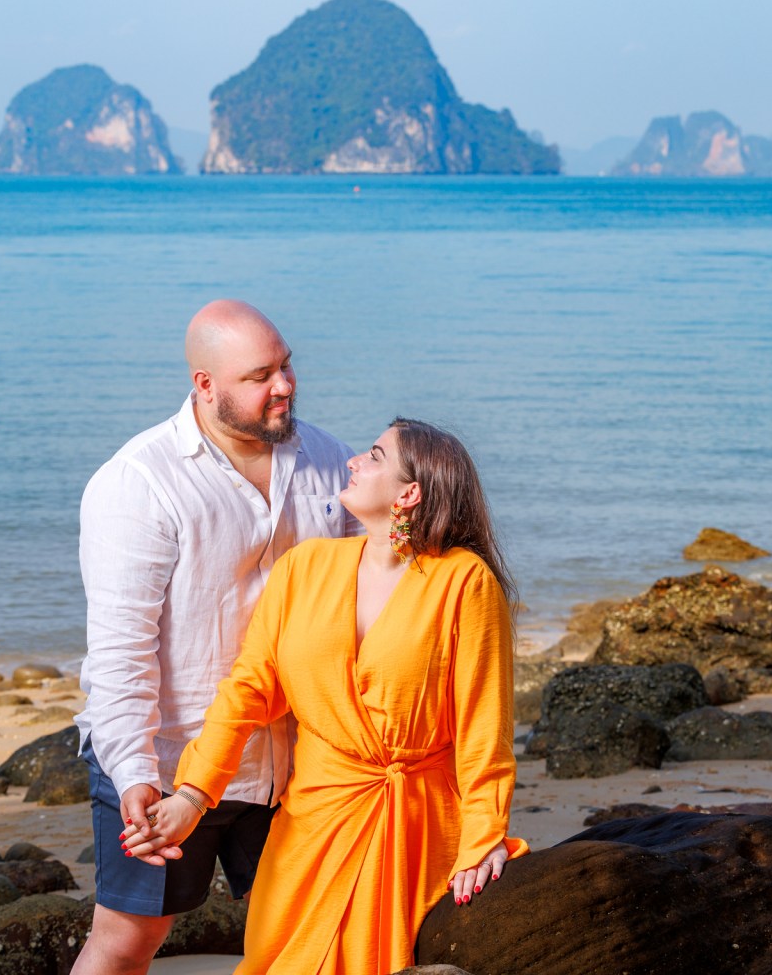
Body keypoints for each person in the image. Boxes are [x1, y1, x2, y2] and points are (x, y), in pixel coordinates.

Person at [124, 418, 528, 975]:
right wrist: (193, 795)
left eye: (377, 456)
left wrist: (484, 836)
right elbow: (246, 692)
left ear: (408, 493)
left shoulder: (464, 583)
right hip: (311, 822)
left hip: (417, 827)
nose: (355, 461)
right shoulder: (303, 569)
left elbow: (486, 728)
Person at [71, 300, 362, 975]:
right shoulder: (138, 484)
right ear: (205, 386)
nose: (284, 385)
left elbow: (387, 562)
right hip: (170, 758)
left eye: (286, 365)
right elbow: (121, 653)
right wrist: (135, 773)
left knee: (309, 940)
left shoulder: (326, 460)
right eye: (261, 375)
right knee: (128, 940)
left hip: (294, 761)